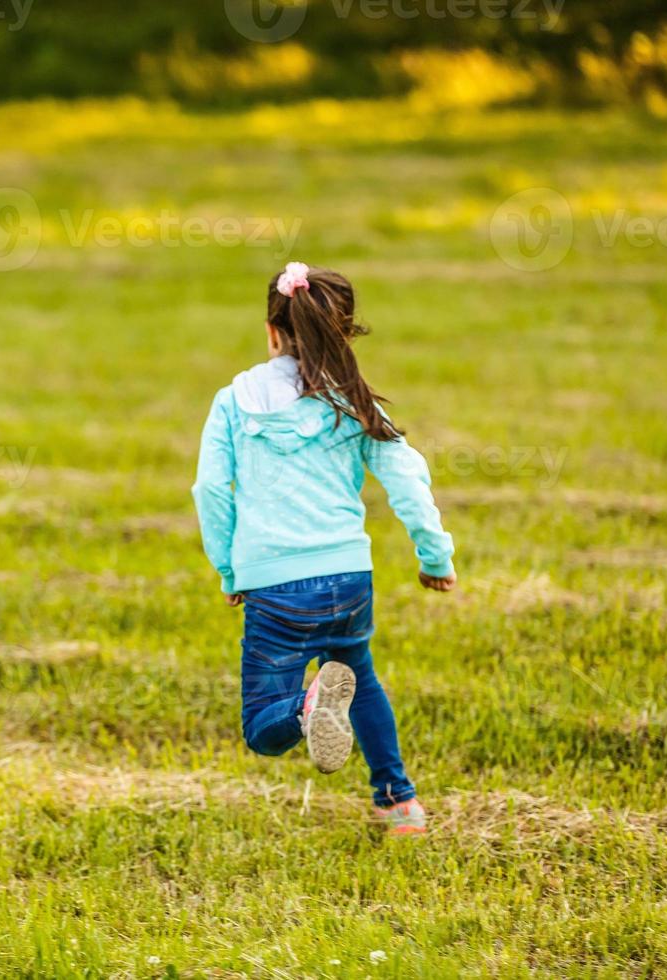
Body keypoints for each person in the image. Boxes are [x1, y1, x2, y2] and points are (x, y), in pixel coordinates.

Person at [191, 262, 456, 835]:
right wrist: (435, 557)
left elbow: (211, 489)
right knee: (358, 673)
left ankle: (305, 709)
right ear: (341, 332)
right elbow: (408, 476)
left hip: (276, 584)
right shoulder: (352, 399)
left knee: (264, 728)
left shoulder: (235, 401)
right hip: (347, 578)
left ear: (272, 329)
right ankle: (399, 802)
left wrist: (229, 568)